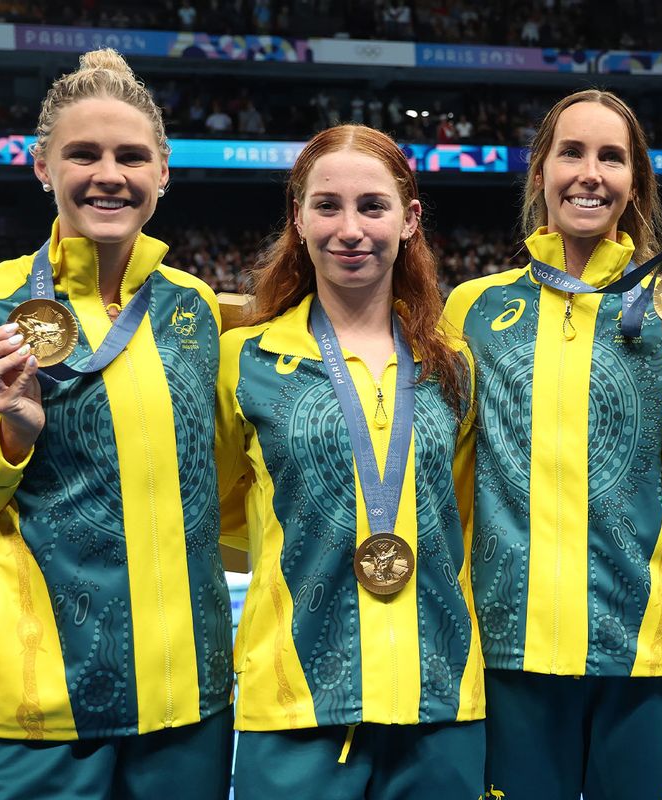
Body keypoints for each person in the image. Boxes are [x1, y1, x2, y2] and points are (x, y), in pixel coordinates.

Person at [0, 48, 234, 799]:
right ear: (42, 167)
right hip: (25, 718)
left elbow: (218, 502)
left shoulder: (197, 308)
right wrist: (7, 443)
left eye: (132, 156)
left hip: (185, 713)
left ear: (164, 171)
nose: (110, 174)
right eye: (83, 154)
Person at [442, 88, 662, 800]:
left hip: (645, 660)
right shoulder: (475, 308)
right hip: (512, 659)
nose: (590, 173)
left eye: (613, 157)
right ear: (540, 169)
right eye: (571, 152)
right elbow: (447, 489)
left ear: (634, 180)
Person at [215, 124, 484, 798]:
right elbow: (204, 517)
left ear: (409, 219)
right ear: (298, 219)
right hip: (294, 708)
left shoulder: (453, 367)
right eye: (327, 205)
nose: (350, 228)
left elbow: (467, 523)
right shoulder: (243, 361)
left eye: (373, 205)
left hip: (440, 703)